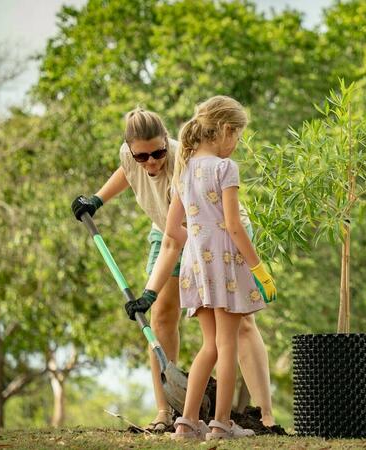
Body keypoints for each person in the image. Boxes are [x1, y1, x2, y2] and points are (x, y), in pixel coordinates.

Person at [72, 107, 276, 432]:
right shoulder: (132, 156)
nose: (151, 162)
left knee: (239, 326)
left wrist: (148, 292)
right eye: (142, 157)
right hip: (171, 231)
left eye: (157, 153)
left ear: (167, 141)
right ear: (131, 150)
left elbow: (179, 238)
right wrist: (97, 200)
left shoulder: (187, 159)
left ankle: (264, 416)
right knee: (162, 318)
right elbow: (134, 180)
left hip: (215, 234)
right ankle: (166, 413)